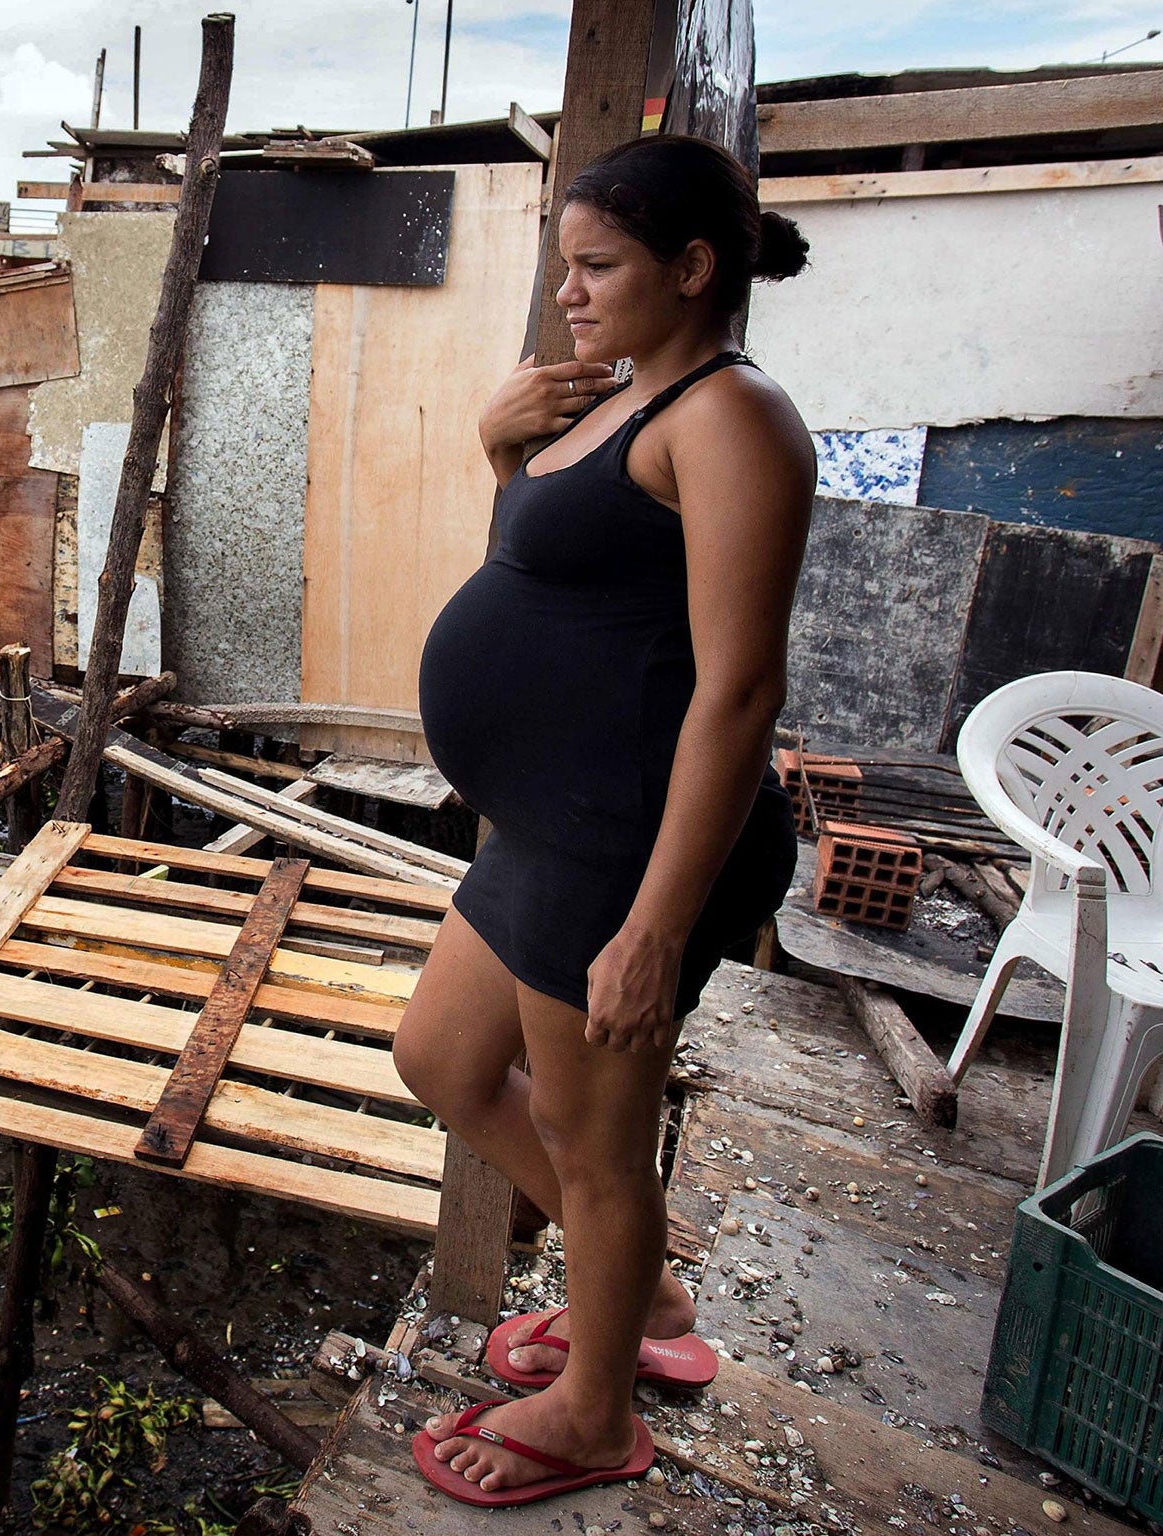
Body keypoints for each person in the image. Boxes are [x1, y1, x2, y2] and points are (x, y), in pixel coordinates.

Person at [395, 134, 816, 1506]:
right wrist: (500, 451)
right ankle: (642, 1288)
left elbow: (741, 690)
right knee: (442, 1061)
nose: (567, 294)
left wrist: (659, 925)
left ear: (692, 269)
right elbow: (558, 585)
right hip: (547, 831)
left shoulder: (732, 419)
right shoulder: (628, 397)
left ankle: (594, 1413)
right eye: (564, 264)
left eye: (597, 266)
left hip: (628, 850)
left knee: (595, 1144)